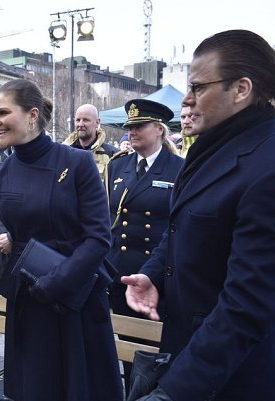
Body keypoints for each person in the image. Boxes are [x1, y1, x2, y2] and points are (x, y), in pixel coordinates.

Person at [0, 79, 123, 401]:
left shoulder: (77, 163)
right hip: (29, 302)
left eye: (3, 112)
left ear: (32, 115)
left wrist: (56, 283)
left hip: (76, 300)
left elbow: (98, 238)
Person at [122, 30, 275, 401]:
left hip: (232, 381)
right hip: (188, 358)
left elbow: (247, 305)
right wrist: (153, 276)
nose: (187, 99)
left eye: (198, 87)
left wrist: (172, 392)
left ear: (241, 89)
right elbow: (181, 228)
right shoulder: (213, 150)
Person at [106, 99, 183, 396]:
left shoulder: (179, 169)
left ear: (159, 130)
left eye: (139, 126)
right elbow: (108, 219)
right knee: (128, 353)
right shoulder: (118, 166)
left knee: (154, 357)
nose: (132, 132)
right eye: (130, 127)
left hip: (156, 277)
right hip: (121, 275)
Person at [63, 103, 118, 182]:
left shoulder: (113, 155)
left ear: (97, 122)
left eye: (86, 120)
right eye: (78, 120)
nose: (80, 124)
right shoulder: (63, 152)